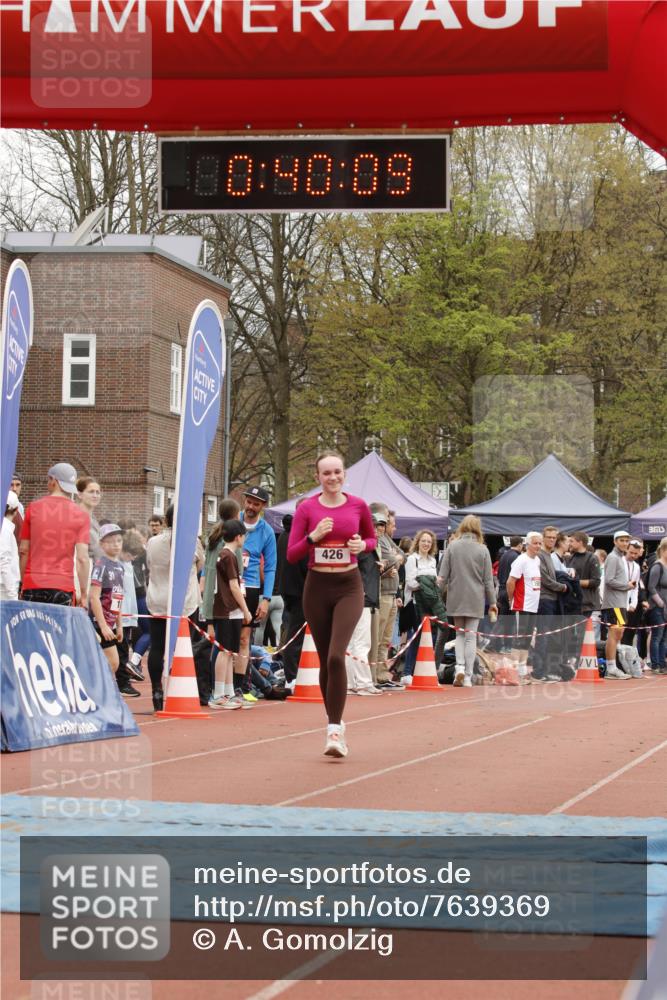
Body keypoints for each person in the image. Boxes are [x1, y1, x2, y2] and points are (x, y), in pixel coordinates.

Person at [287, 451, 376, 758]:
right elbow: (292, 554)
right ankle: (334, 720)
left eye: (337, 471)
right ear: (318, 478)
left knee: (337, 656)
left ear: (344, 475)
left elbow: (372, 539)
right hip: (317, 587)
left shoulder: (358, 505)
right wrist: (313, 537)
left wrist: (362, 545)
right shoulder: (307, 509)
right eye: (327, 473)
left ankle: (334, 729)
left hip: (349, 586)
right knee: (326, 659)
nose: (333, 477)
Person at [146, 504, 204, 712]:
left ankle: (156, 689)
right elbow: (200, 565)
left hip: (158, 600)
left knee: (157, 646)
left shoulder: (152, 541)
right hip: (184, 603)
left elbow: (149, 563)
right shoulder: (191, 542)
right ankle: (179, 687)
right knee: (184, 648)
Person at [19, 462, 90, 608]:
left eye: (48, 479)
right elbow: (82, 559)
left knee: (32, 630)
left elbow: (23, 550)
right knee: (59, 630)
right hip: (63, 586)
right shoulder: (81, 515)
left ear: (54, 481)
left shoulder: (33, 508)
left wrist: (23, 582)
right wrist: (83, 594)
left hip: (33, 582)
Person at [438, 515, 496, 688]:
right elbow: (488, 580)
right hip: (475, 598)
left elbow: (443, 576)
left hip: (456, 596)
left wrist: (437, 598)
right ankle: (468, 675)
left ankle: (460, 667)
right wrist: (492, 601)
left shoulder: (452, 547)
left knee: (460, 635)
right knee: (471, 637)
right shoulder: (483, 549)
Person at [209, 518, 254, 709]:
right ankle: (218, 693)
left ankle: (227, 692)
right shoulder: (228, 556)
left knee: (230, 652)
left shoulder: (226, 555)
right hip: (228, 609)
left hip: (229, 609)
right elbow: (234, 586)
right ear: (239, 536)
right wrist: (246, 609)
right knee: (225, 651)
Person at [238, 486, 277, 698]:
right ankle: (222, 685)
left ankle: (242, 686)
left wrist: (266, 599)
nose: (251, 507)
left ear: (263, 506)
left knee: (245, 640)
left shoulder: (267, 531)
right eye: (249, 502)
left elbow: (270, 567)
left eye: (256, 503)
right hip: (229, 587)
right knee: (225, 639)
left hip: (251, 588)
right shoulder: (233, 522)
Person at [89, 524, 127, 684]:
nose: (116, 544)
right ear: (102, 544)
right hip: (98, 623)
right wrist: (103, 626)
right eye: (111, 541)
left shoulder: (120, 567)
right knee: (112, 663)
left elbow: (118, 597)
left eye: (119, 540)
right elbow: (94, 597)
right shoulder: (101, 565)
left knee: (108, 663)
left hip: (110, 623)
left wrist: (119, 624)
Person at [506, 530, 542, 677]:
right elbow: (510, 581)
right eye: (535, 543)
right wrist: (511, 599)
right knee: (519, 637)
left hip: (533, 605)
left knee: (527, 638)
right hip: (522, 604)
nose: (538, 546)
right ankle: (514, 666)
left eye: (540, 543)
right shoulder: (521, 560)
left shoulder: (537, 560)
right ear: (527, 544)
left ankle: (522, 665)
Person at [601, 530, 636, 679]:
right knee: (614, 634)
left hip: (620, 603)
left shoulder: (620, 557)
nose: (624, 543)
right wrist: (627, 585)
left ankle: (613, 667)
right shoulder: (613, 557)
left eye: (626, 540)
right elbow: (609, 580)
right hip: (614, 603)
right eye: (621, 540)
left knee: (618, 634)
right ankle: (611, 668)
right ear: (615, 542)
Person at [646, 538, 667, 673]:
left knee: (664, 637)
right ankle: (655, 665)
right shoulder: (657, 566)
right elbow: (651, 587)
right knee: (657, 636)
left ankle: (662, 664)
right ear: (664, 550)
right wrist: (660, 603)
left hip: (665, 608)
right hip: (657, 607)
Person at [0, 491, 21, 600]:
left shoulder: (6, 529)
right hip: (5, 590)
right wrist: (13, 596)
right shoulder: (5, 530)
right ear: (16, 510)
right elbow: (4, 563)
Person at [76, 477, 103, 559]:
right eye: (91, 492)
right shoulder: (76, 518)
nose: (95, 496)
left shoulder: (93, 519)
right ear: (80, 495)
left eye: (97, 492)